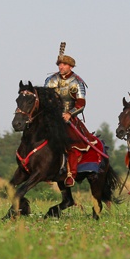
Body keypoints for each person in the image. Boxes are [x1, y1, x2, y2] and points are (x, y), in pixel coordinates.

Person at [44, 42, 99, 187]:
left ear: (71, 67)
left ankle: (70, 174)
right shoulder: (51, 80)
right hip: (52, 117)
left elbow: (81, 103)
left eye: (63, 65)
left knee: (71, 143)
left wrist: (69, 114)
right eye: (59, 64)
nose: (60, 67)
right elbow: (45, 99)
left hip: (69, 118)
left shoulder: (77, 82)